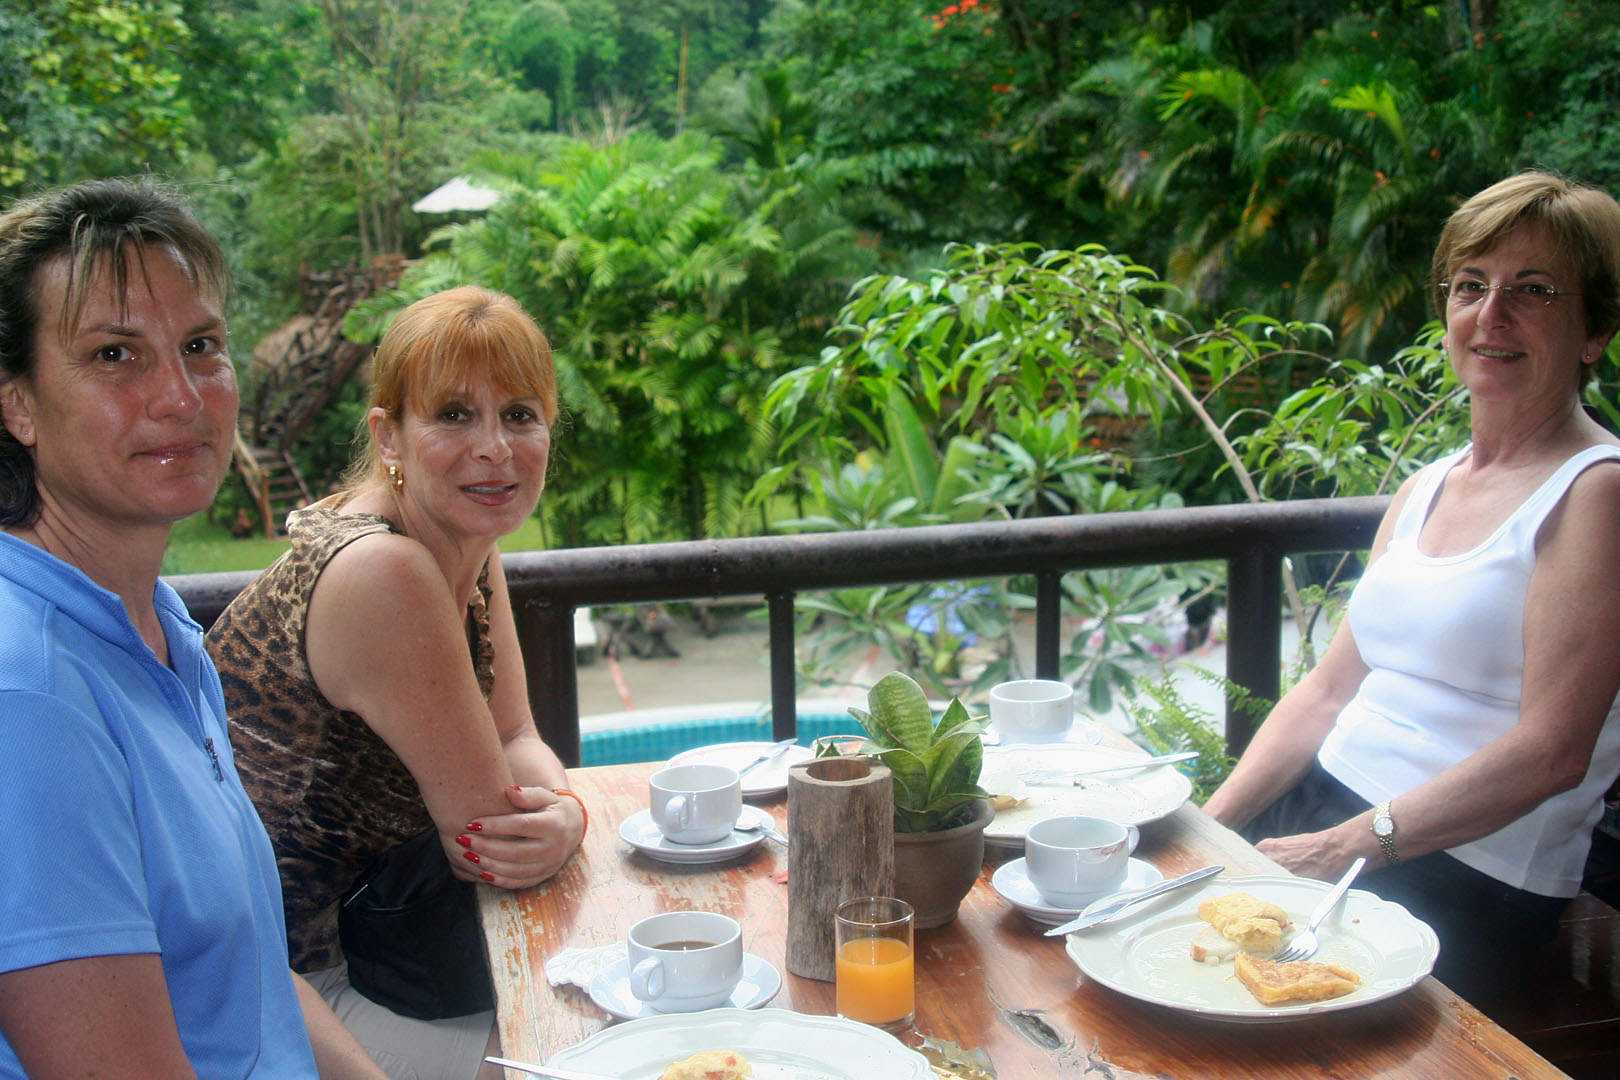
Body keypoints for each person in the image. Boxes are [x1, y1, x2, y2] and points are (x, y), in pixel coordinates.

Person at [1204, 169, 1620, 1012]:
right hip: (1329, 811)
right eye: (1471, 286)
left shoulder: (1595, 494)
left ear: (1595, 330)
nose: (1490, 315)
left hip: (1468, 866)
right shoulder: (1427, 485)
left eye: (1532, 290)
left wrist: (1342, 848)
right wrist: (1207, 832)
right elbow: (1325, 692)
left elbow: (1552, 752)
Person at [0, 177, 386, 1077]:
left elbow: (244, 977)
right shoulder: (31, 696)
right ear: (16, 403)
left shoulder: (159, 633)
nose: (181, 396)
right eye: (113, 355)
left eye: (201, 346)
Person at [206, 285, 586, 1079]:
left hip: (383, 948)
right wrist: (562, 818)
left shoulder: (466, 541)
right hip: (286, 990)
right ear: (388, 435)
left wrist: (562, 812)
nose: (495, 448)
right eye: (453, 415)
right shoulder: (383, 571)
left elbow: (517, 738)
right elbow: (489, 839)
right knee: (611, 1052)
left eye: (519, 414)